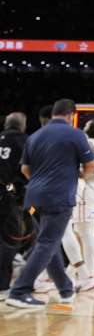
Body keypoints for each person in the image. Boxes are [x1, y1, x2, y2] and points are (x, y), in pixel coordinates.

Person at [5, 99, 94, 309]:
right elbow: (90, 165)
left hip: (33, 200)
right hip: (58, 197)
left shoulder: (34, 136)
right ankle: (19, 291)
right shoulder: (75, 134)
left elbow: (25, 170)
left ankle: (65, 289)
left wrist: (41, 182)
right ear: (71, 115)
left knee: (48, 240)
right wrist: (79, 174)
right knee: (47, 243)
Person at [69, 119, 94, 292]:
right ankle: (76, 272)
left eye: (86, 126)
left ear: (91, 128)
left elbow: (88, 167)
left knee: (84, 232)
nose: (83, 128)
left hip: (89, 189)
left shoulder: (88, 142)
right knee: (82, 231)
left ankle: (89, 276)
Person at [0, 112, 29, 296]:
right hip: (5, 193)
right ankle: (2, 285)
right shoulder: (24, 140)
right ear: (22, 126)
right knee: (10, 238)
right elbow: (26, 170)